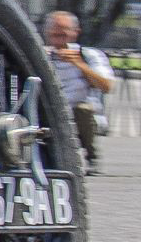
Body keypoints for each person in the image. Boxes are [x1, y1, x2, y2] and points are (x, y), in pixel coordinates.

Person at [43, 10, 116, 174]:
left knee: (84, 109)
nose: (59, 41)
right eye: (55, 35)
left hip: (79, 113)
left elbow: (107, 86)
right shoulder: (42, 55)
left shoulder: (88, 55)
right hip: (49, 110)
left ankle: (90, 155)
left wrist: (79, 64)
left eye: (63, 35)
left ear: (75, 33)